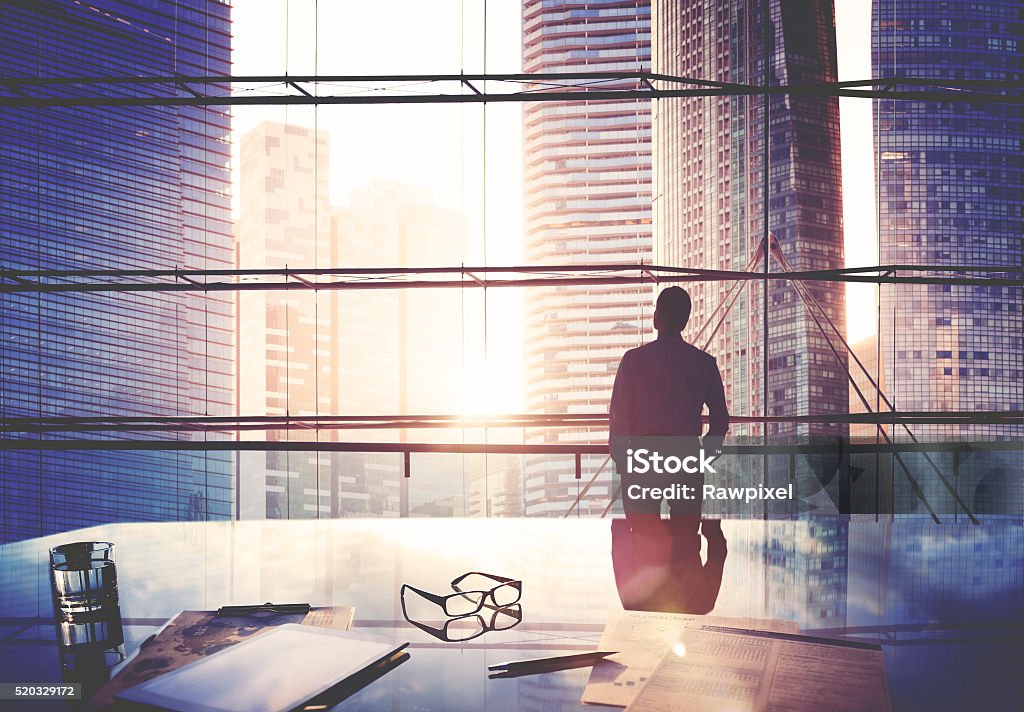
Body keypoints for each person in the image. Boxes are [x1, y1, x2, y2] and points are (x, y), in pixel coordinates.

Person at [609, 286, 729, 519]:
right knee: (685, 538)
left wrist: (623, 461)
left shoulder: (633, 361)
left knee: (643, 536)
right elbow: (720, 418)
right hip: (685, 453)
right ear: (685, 321)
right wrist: (705, 455)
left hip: (642, 455)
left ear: (656, 318)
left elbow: (619, 415)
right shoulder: (704, 364)